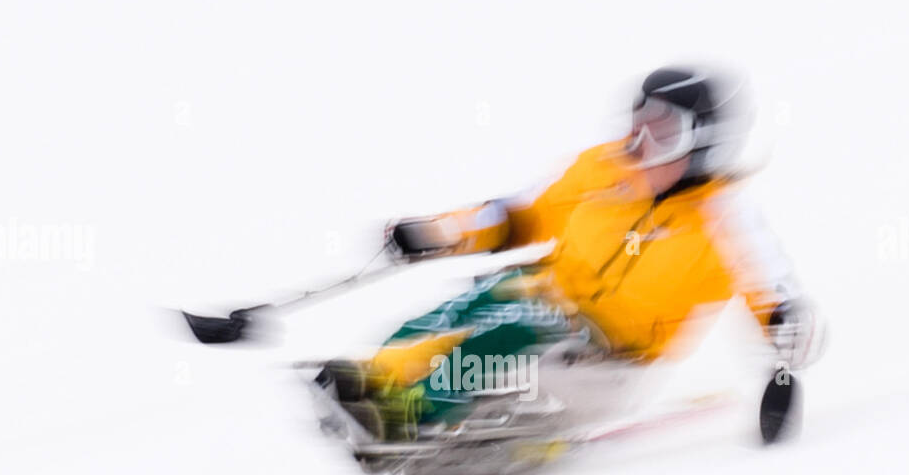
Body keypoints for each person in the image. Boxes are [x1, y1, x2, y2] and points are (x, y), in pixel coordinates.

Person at [317, 65, 824, 444]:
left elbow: (778, 303)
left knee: (511, 327)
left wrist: (783, 363)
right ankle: (373, 379)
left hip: (612, 359)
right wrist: (438, 233)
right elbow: (520, 216)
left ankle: (410, 414)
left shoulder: (725, 221)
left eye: (662, 132)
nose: (640, 143)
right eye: (637, 124)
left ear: (706, 145)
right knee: (469, 305)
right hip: (547, 293)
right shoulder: (601, 170)